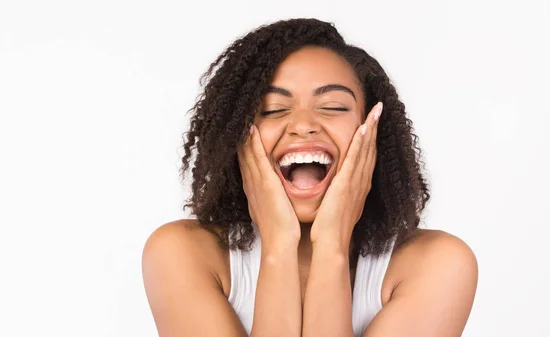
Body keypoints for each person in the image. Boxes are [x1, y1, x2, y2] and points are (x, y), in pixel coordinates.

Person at [142, 18, 478, 337]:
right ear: (235, 135)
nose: (303, 125)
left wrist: (331, 244)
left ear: (374, 130)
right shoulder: (182, 253)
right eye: (273, 109)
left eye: (333, 106)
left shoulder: (438, 265)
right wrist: (278, 246)